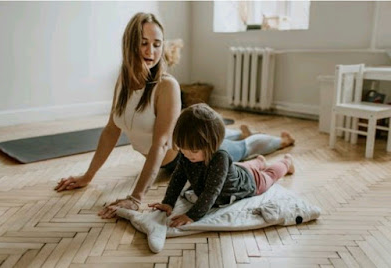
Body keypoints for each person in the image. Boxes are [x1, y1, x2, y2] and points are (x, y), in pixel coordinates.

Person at [54, 12, 294, 218]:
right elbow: (110, 131)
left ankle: (280, 141)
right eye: (144, 42)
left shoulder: (166, 86)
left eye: (157, 44)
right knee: (229, 139)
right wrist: (88, 175)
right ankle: (234, 133)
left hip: (193, 156)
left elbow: (160, 145)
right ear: (130, 43)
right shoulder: (123, 81)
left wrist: (136, 198)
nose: (151, 50)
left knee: (242, 149)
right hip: (175, 157)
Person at [149, 103, 294, 227]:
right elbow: (178, 177)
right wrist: (168, 202)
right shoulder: (188, 154)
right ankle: (260, 161)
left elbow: (211, 192)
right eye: (182, 148)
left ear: (212, 145)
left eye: (193, 150)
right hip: (236, 169)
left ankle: (287, 163)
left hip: (250, 182)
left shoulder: (220, 158)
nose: (186, 154)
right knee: (244, 166)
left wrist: (192, 216)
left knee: (269, 175)